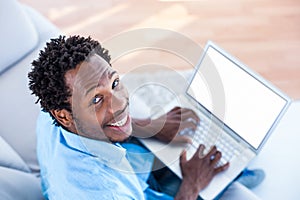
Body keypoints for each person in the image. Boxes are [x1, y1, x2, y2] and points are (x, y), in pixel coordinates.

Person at [28, 35, 262, 200]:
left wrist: (150, 127)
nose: (120, 104)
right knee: (241, 174)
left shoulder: (52, 110)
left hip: (126, 170)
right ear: (64, 116)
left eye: (115, 83)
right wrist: (191, 185)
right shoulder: (105, 193)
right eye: (97, 100)